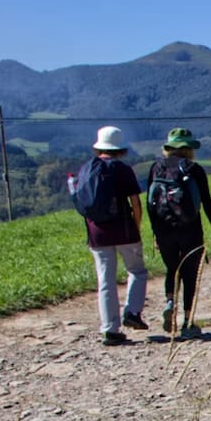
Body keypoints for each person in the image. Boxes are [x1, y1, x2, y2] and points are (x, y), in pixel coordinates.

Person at [146, 128, 211, 340]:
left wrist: (154, 233)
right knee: (190, 275)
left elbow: (150, 205)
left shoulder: (156, 168)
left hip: (164, 229)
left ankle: (170, 302)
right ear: (189, 149)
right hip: (191, 229)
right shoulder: (194, 169)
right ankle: (188, 323)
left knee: (172, 269)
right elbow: (207, 203)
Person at [78, 126, 148, 345]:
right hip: (124, 229)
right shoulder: (123, 169)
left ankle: (110, 329)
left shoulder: (87, 169)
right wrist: (137, 226)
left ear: (98, 147)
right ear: (120, 148)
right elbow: (135, 203)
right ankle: (132, 312)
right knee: (137, 271)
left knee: (105, 281)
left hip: (97, 233)